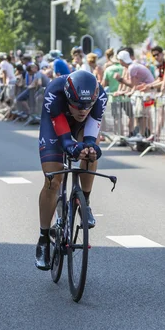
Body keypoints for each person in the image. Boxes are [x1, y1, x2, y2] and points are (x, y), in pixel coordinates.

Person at [35, 70, 107, 270]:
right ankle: (43, 238)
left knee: (90, 150)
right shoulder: (54, 93)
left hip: (81, 128)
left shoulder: (100, 96)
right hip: (55, 124)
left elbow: (91, 134)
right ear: (68, 97)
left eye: (87, 106)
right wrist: (71, 147)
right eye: (77, 105)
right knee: (53, 181)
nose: (83, 110)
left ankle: (86, 201)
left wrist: (91, 148)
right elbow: (66, 141)